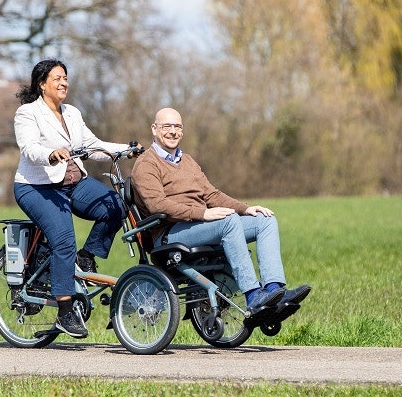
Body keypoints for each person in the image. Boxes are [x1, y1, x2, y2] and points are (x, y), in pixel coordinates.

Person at [131, 107, 310, 321]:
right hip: (168, 233)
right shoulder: (146, 164)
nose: (172, 132)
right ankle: (253, 295)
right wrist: (202, 214)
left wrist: (245, 208)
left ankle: (273, 291)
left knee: (265, 220)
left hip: (197, 226)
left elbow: (212, 194)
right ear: (154, 129)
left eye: (177, 127)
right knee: (228, 221)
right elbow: (157, 206)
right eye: (167, 126)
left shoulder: (187, 161)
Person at [13, 59, 141, 338]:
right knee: (63, 240)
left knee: (116, 206)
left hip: (74, 183)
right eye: (57, 78)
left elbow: (93, 146)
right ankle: (65, 312)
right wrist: (51, 153)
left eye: (66, 78)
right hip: (38, 187)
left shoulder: (72, 113)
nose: (63, 83)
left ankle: (86, 257)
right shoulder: (27, 113)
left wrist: (125, 150)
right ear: (42, 84)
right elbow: (29, 147)